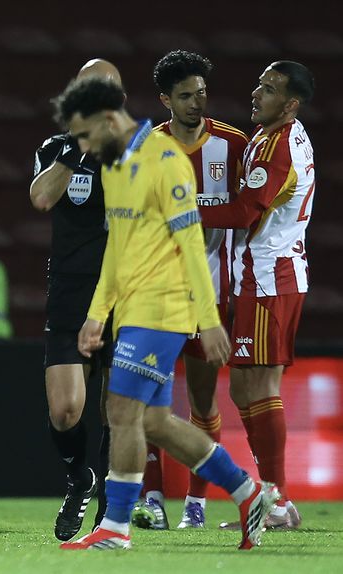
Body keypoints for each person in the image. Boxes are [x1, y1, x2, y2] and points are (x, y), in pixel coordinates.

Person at [55, 76, 278, 551]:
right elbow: (118, 245)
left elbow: (192, 243)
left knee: (120, 409)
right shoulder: (115, 166)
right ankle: (245, 490)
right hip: (132, 307)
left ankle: (115, 528)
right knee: (153, 422)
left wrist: (210, 318)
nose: (85, 146)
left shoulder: (166, 161)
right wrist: (98, 314)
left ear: (110, 119)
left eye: (87, 134)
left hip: (166, 304)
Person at [132, 50, 248, 530]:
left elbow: (251, 215)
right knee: (148, 399)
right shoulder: (146, 147)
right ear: (165, 100)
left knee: (203, 402)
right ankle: (153, 497)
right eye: (185, 96)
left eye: (202, 93)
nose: (197, 103)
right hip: (158, 294)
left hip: (212, 296)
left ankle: (196, 504)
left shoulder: (233, 145)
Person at [199, 61, 315, 530]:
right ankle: (271, 496)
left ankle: (279, 501)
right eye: (259, 85)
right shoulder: (272, 136)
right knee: (247, 386)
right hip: (261, 277)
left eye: (268, 90)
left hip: (271, 278)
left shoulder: (279, 146)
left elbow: (246, 211)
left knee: (260, 387)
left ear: (290, 104)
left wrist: (183, 210)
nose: (256, 93)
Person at [28, 58, 120, 540]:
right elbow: (42, 198)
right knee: (65, 411)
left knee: (116, 409)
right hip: (71, 291)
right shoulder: (56, 148)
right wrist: (79, 150)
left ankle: (111, 500)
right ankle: (78, 477)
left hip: (126, 291)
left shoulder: (140, 149)